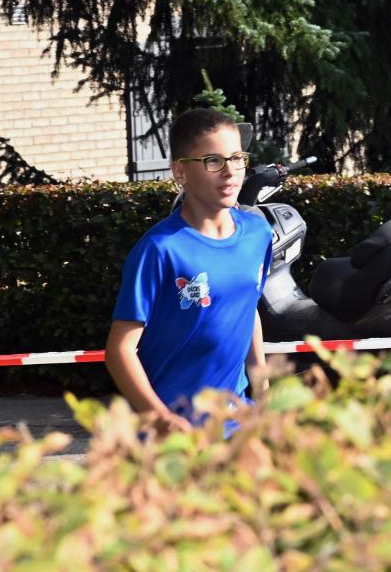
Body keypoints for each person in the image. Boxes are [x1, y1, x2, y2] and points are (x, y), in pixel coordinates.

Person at [105, 108, 273, 432]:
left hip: (237, 425)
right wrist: (161, 419)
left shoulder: (258, 233)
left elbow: (246, 308)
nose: (230, 172)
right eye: (213, 161)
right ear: (180, 171)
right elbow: (119, 350)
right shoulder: (160, 250)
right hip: (175, 437)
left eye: (237, 158)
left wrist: (263, 393)